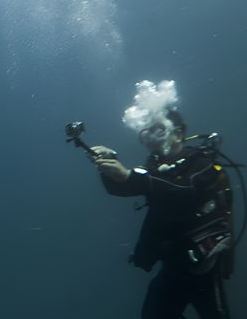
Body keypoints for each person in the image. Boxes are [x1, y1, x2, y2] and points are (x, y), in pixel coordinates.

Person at [90, 110, 234, 319]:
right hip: (173, 266)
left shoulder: (203, 164)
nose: (150, 138)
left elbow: (184, 189)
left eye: (158, 130)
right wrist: (108, 166)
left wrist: (129, 176)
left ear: (179, 133)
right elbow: (124, 187)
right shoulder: (152, 169)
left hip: (204, 267)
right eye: (146, 133)